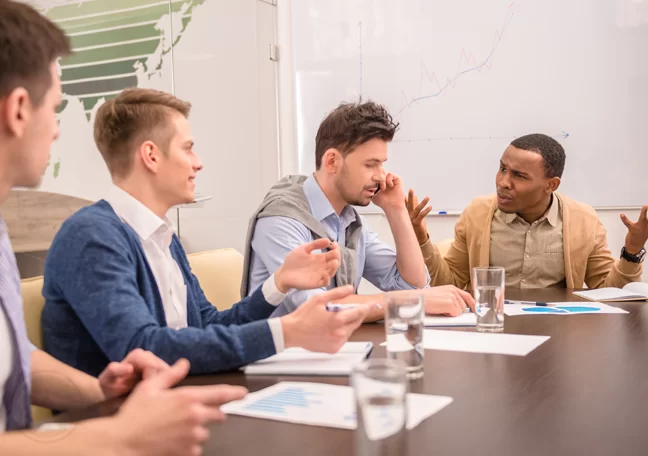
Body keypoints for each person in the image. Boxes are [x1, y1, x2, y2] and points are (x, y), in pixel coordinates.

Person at [0, 2, 248, 454]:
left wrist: (100, 391)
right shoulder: (92, 234)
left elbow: (14, 361)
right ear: (19, 110)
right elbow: (145, 342)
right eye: (55, 108)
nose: (57, 130)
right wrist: (113, 435)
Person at [41, 87, 371, 378]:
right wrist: (286, 331)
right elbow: (143, 348)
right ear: (151, 156)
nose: (198, 163)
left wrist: (280, 282)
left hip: (173, 403)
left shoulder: (162, 237)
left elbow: (207, 326)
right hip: (110, 425)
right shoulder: (91, 237)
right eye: (188, 148)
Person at [243, 100, 474, 319]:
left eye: (382, 164)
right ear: (332, 161)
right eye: (370, 164)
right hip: (282, 357)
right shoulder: (281, 218)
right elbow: (316, 309)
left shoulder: (346, 220)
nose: (381, 176)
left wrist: (395, 209)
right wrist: (410, 300)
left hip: (331, 351)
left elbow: (413, 285)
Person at [407, 133, 647, 289]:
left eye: (519, 176)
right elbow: (451, 284)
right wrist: (420, 238)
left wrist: (633, 251)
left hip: (557, 334)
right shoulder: (477, 213)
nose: (503, 182)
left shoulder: (583, 220)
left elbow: (607, 293)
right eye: (502, 169)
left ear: (551, 185)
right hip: (493, 326)